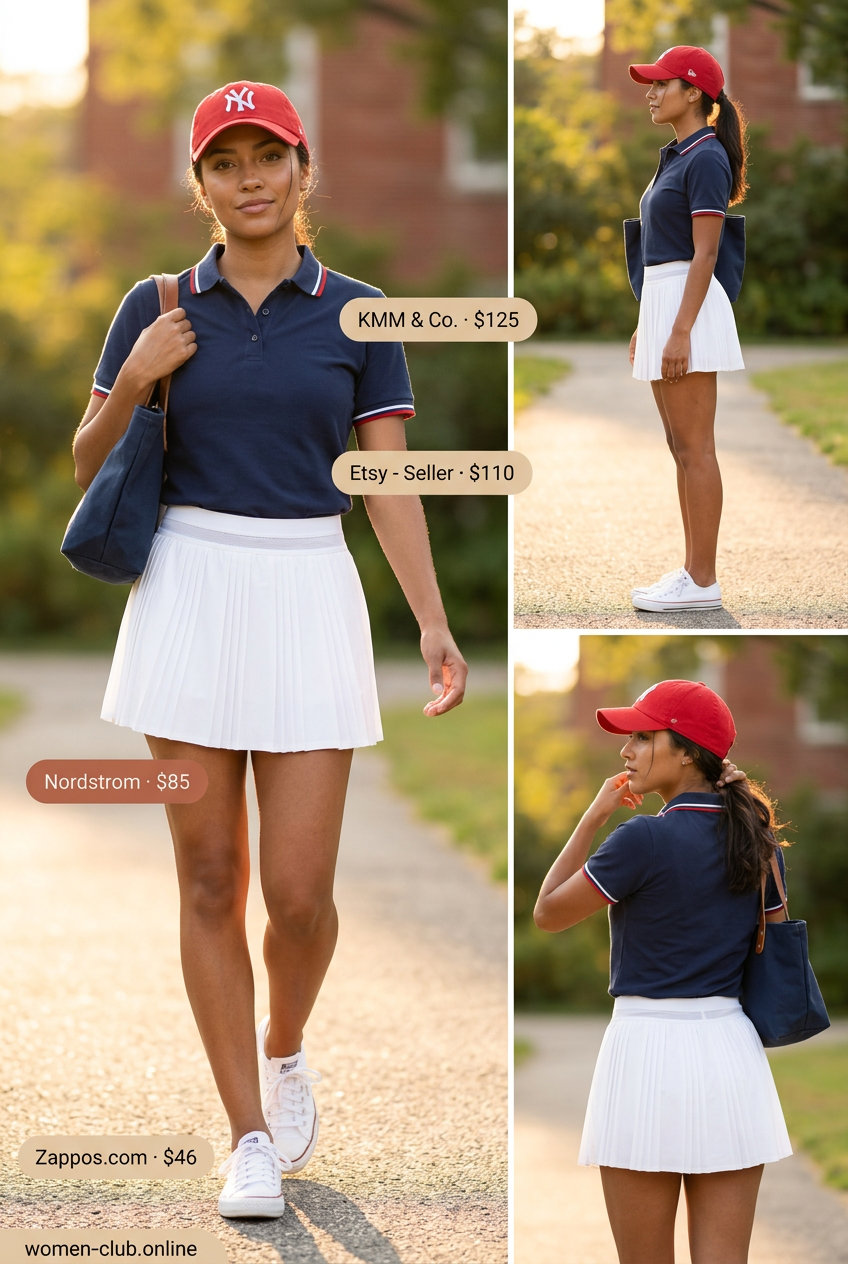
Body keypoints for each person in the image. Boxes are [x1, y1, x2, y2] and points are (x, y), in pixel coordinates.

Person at [72, 80, 467, 1220]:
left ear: (303, 170)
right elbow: (88, 457)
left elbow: (386, 480)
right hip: (188, 588)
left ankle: (283, 1044)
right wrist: (140, 372)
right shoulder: (153, 303)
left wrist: (433, 623)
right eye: (224, 161)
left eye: (268, 157)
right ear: (198, 184)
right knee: (208, 879)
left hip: (306, 586)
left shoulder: (361, 311)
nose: (248, 179)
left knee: (296, 896)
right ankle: (245, 1133)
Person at [534, 679, 792, 1264]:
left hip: (646, 1050)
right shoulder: (758, 840)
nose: (625, 749)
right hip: (731, 1053)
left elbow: (547, 913)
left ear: (685, 751)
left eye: (642, 736)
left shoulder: (642, 838)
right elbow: (773, 938)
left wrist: (592, 818)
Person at [626, 47, 749, 614]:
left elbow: (704, 255)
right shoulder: (678, 155)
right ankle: (691, 573)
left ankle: (703, 581)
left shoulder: (704, 159)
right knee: (681, 448)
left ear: (694, 91)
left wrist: (678, 333)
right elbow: (662, 252)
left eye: (661, 84)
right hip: (665, 303)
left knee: (697, 448)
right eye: (649, 85)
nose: (650, 93)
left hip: (686, 307)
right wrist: (645, 325)